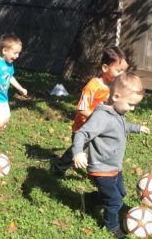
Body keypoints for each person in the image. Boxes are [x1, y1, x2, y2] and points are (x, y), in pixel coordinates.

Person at [72, 73, 150, 238]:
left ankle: (90, 200)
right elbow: (82, 134)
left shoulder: (116, 113)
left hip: (114, 166)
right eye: (130, 104)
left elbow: (119, 126)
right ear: (115, 96)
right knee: (114, 201)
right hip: (102, 168)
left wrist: (136, 128)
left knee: (120, 194)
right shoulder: (102, 116)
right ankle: (112, 227)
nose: (132, 108)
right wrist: (78, 153)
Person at [52, 46, 128, 175]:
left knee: (99, 150)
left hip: (100, 129)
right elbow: (82, 110)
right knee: (75, 151)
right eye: (119, 71)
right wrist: (98, 119)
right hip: (83, 128)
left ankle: (98, 172)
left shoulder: (115, 87)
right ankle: (59, 168)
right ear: (105, 68)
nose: (122, 75)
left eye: (124, 71)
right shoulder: (92, 87)